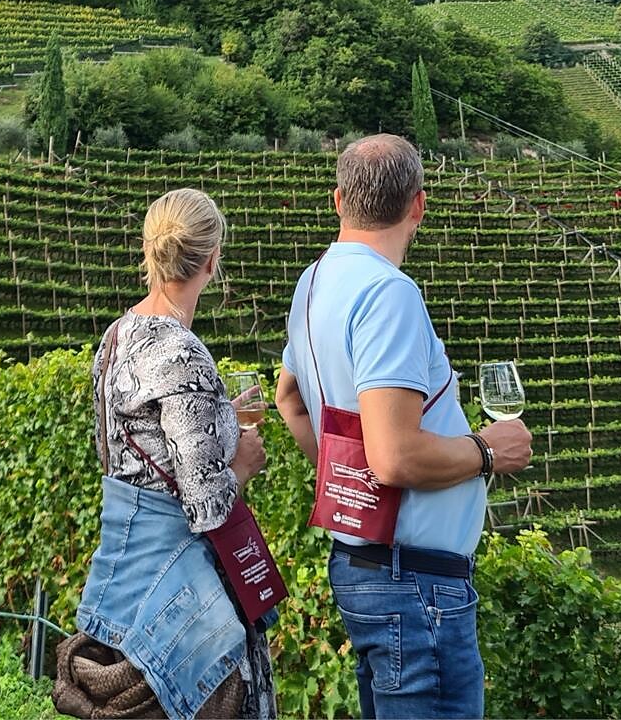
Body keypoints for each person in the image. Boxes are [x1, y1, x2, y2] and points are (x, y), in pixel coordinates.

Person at [275, 134, 533, 720]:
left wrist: (347, 484)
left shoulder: (311, 284)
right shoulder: (389, 293)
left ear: (339, 200)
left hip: (363, 567)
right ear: (418, 205)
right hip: (416, 585)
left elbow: (289, 400)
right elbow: (393, 458)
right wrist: (489, 451)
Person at [59, 188, 274, 720]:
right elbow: (208, 505)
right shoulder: (181, 350)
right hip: (177, 591)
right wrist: (241, 462)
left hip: (124, 580)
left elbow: (131, 453)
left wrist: (218, 412)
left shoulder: (118, 336)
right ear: (212, 259)